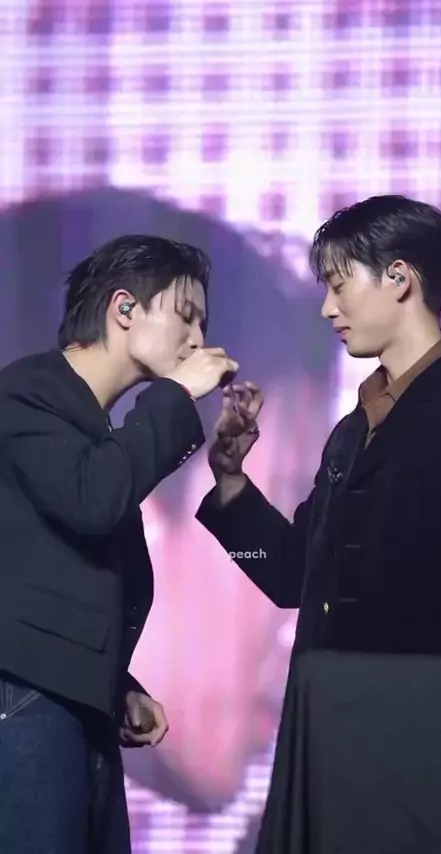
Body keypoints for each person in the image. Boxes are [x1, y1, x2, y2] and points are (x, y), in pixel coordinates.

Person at [196, 195, 441, 853]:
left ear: (400, 278)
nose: (329, 308)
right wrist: (231, 481)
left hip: (429, 747)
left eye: (339, 285)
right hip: (329, 737)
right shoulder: (351, 432)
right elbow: (292, 575)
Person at [0, 233, 237, 854]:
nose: (197, 339)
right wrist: (177, 394)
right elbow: (93, 500)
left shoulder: (88, 420)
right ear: (124, 309)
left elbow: (50, 573)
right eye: (186, 316)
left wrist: (116, 683)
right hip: (27, 698)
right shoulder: (28, 392)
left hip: (72, 697)